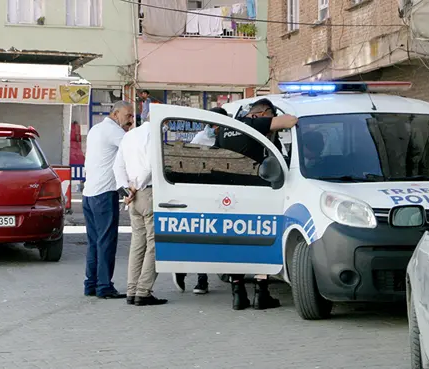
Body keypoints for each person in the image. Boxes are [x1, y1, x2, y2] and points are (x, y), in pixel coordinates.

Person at [215, 98, 298, 311]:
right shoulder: (254, 123)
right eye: (270, 116)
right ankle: (261, 294)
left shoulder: (226, 130)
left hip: (229, 197)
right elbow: (290, 121)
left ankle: (238, 294)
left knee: (235, 245)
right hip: (256, 193)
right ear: (261, 113)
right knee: (260, 242)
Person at [172, 107, 229, 295]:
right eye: (212, 125)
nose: (215, 128)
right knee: (200, 237)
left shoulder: (227, 140)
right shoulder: (199, 139)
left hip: (219, 194)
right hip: (200, 192)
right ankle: (198, 278)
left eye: (217, 125)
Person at [114, 113, 167, 306]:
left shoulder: (129, 136)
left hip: (132, 198)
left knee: (137, 244)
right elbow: (150, 166)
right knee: (155, 244)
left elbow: (117, 165)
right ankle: (143, 292)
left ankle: (131, 290)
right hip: (148, 193)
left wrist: (127, 190)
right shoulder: (153, 136)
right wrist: (136, 186)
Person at [82, 101, 134, 299]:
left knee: (94, 242)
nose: (130, 120)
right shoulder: (114, 132)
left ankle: (91, 284)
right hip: (104, 195)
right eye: (128, 116)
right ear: (115, 114)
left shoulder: (96, 129)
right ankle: (104, 286)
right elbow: (134, 149)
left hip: (89, 194)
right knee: (106, 243)